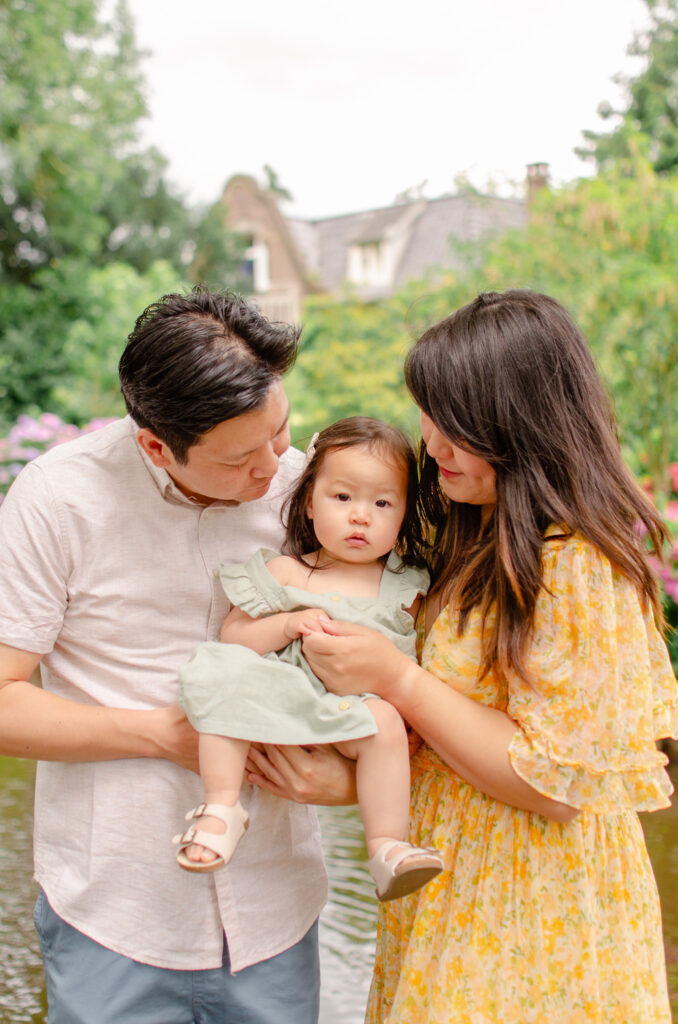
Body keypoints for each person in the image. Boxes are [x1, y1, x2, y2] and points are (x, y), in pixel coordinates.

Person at [272, 290, 678, 1023]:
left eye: (454, 425)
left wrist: (398, 678)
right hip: (457, 892)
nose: (432, 444)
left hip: (535, 916)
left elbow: (555, 785)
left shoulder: (579, 567)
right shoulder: (475, 536)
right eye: (430, 416)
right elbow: (460, 735)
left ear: (520, 424)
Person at [0, 288, 333, 1024]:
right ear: (156, 444)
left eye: (280, 432)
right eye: (242, 457)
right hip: (115, 909)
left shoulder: (302, 489)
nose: (274, 466)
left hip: (274, 902)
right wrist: (161, 734)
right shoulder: (59, 499)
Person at [175, 417, 443, 902]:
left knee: (383, 721)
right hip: (284, 699)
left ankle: (386, 844)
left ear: (403, 515)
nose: (361, 516)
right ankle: (220, 807)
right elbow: (233, 636)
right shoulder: (286, 571)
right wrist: (287, 624)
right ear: (309, 502)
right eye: (343, 498)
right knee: (223, 671)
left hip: (354, 712)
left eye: (382, 503)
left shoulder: (408, 585)